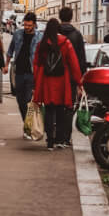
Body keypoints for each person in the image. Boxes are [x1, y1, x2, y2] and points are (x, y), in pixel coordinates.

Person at [33, 18, 81, 150]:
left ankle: (49, 141)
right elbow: (74, 63)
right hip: (62, 81)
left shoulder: (41, 44)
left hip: (47, 81)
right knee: (60, 110)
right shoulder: (66, 43)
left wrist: (36, 81)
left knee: (48, 110)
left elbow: (36, 64)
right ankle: (59, 140)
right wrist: (79, 82)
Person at [7, 12, 42, 137]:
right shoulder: (17, 34)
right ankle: (26, 124)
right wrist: (6, 65)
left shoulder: (39, 37)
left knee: (28, 101)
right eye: (25, 25)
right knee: (20, 101)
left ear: (34, 24)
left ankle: (29, 128)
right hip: (19, 72)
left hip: (31, 73)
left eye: (29, 25)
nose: (26, 27)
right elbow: (10, 50)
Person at [57, 6, 87, 146]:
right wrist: (81, 78)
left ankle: (57, 134)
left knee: (57, 105)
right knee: (69, 106)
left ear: (59, 16)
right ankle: (66, 136)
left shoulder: (54, 33)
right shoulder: (77, 35)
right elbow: (81, 58)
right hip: (71, 77)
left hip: (55, 76)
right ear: (71, 17)